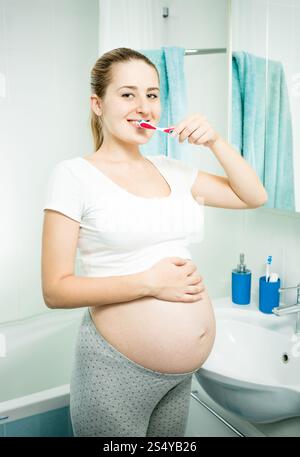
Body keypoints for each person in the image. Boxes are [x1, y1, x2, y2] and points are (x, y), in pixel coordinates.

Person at [41, 47, 267, 437]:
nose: (143, 106)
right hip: (116, 371)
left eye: (153, 94)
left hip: (179, 376)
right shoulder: (74, 176)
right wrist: (151, 282)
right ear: (98, 104)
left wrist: (216, 142)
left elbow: (253, 196)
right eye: (127, 94)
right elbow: (55, 290)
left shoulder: (173, 169)